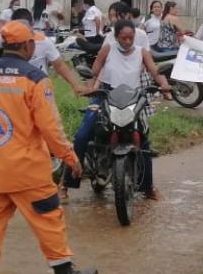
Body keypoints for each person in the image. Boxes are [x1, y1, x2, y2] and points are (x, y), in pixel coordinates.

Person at [0, 21, 97, 274]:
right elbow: (50, 127)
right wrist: (70, 157)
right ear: (28, 46)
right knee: (48, 219)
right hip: (27, 172)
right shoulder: (35, 79)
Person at [68, 19, 172, 199]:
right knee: (83, 135)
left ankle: (147, 187)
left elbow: (154, 71)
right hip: (106, 94)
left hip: (132, 96)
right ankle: (67, 182)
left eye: (131, 38)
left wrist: (164, 85)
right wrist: (90, 88)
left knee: (143, 139)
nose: (127, 41)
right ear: (116, 37)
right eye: (124, 38)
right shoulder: (107, 49)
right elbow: (94, 71)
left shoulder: (142, 52)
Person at [0, 9, 86, 95]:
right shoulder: (6, 36)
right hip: (14, 89)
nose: (19, 32)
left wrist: (75, 85)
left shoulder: (44, 42)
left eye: (24, 28)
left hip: (37, 87)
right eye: (16, 28)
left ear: (31, 26)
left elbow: (60, 65)